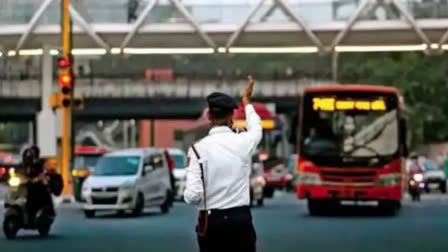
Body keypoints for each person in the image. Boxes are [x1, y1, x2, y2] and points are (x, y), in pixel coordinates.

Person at [184, 76, 262, 252]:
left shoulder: (197, 149)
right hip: (241, 220)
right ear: (232, 117)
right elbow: (257, 128)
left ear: (209, 116)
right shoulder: (244, 141)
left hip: (213, 223)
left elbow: (192, 196)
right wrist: (247, 102)